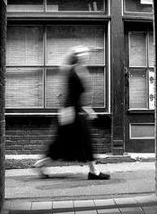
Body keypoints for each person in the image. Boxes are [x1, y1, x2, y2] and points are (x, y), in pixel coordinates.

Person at [34, 45, 110, 180]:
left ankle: (93, 171)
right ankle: (41, 164)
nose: (85, 56)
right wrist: (72, 50)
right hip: (70, 113)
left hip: (75, 112)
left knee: (78, 142)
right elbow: (71, 93)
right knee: (64, 144)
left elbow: (81, 95)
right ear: (77, 56)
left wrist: (88, 109)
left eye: (86, 54)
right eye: (82, 54)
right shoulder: (72, 70)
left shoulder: (81, 70)